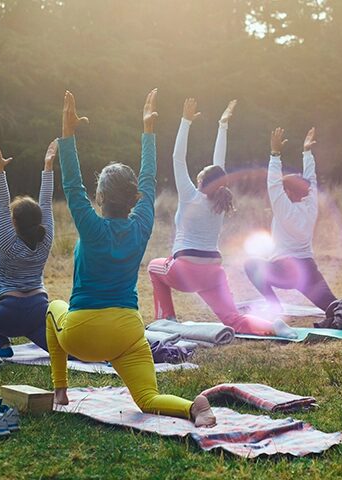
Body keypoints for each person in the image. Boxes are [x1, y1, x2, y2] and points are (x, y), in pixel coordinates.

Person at [46, 90, 216, 427]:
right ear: (134, 197)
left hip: (82, 335)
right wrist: (148, 133)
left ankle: (60, 390)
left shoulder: (91, 226)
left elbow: (71, 184)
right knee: (147, 399)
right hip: (127, 332)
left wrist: (67, 134)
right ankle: (192, 407)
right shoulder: (141, 226)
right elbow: (149, 180)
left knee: (53, 306)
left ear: (100, 197)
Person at [147, 98, 296, 338]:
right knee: (233, 319)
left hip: (184, 270)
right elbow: (220, 164)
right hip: (213, 272)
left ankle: (168, 319)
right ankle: (274, 327)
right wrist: (223, 125)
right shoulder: (219, 202)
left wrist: (185, 121)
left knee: (154, 268)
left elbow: (178, 157)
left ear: (200, 180)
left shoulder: (190, 196)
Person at [244, 127, 337, 316]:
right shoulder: (310, 205)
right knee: (336, 308)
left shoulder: (284, 210)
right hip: (308, 271)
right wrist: (307, 153)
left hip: (284, 271)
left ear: (289, 193)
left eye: (285, 190)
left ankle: (274, 306)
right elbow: (311, 180)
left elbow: (273, 185)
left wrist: (275, 154)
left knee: (251, 264)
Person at [0, 141, 56, 357]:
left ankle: (1, 347)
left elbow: (2, 203)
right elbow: (46, 203)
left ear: (14, 222)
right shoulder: (46, 239)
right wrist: (48, 167)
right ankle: (90, 353)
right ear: (38, 220)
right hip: (39, 311)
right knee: (63, 350)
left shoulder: (7, 242)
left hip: (7, 316)